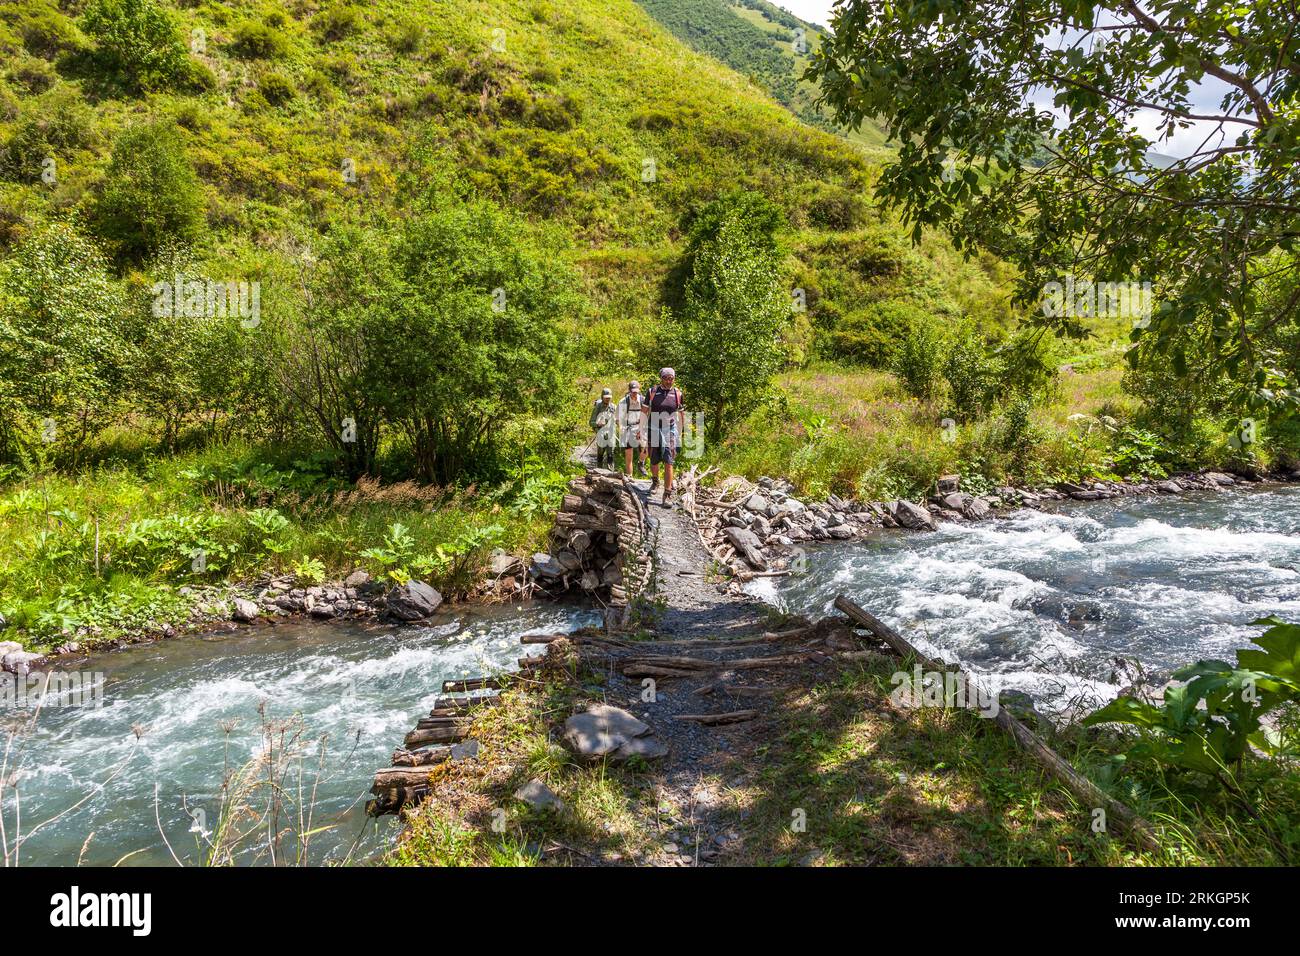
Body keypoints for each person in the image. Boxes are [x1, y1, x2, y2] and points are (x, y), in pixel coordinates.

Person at [643, 367, 685, 506]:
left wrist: (681, 431)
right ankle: (655, 481)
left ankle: (667, 494)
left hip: (670, 429)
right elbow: (644, 411)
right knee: (654, 459)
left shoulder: (678, 393)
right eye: (666, 378)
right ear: (661, 378)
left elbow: (681, 413)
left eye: (671, 378)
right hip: (653, 427)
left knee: (669, 460)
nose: (669, 381)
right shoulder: (652, 392)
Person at [617, 380, 647, 477]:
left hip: (641, 427)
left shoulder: (644, 401)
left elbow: (648, 415)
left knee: (647, 448)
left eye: (636, 392)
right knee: (629, 454)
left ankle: (640, 463)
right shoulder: (623, 401)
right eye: (632, 391)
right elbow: (618, 418)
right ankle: (629, 477)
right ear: (629, 391)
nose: (634, 394)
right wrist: (621, 428)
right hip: (628, 428)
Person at [589, 387, 618, 470]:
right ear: (602, 397)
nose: (607, 399)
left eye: (609, 398)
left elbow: (619, 420)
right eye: (606, 398)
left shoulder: (614, 407)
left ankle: (611, 471)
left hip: (611, 433)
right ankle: (599, 469)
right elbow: (591, 422)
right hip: (601, 433)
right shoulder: (597, 407)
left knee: (610, 453)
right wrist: (598, 424)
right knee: (600, 452)